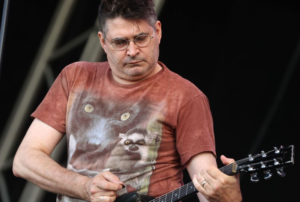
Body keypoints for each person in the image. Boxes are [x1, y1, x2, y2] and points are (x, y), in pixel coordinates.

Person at [13, 0, 242, 202]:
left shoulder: (186, 96)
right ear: (103, 42)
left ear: (158, 31)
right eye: (120, 42)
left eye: (141, 38)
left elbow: (206, 184)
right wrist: (85, 187)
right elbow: (25, 160)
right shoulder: (75, 77)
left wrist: (229, 198)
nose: (132, 51)